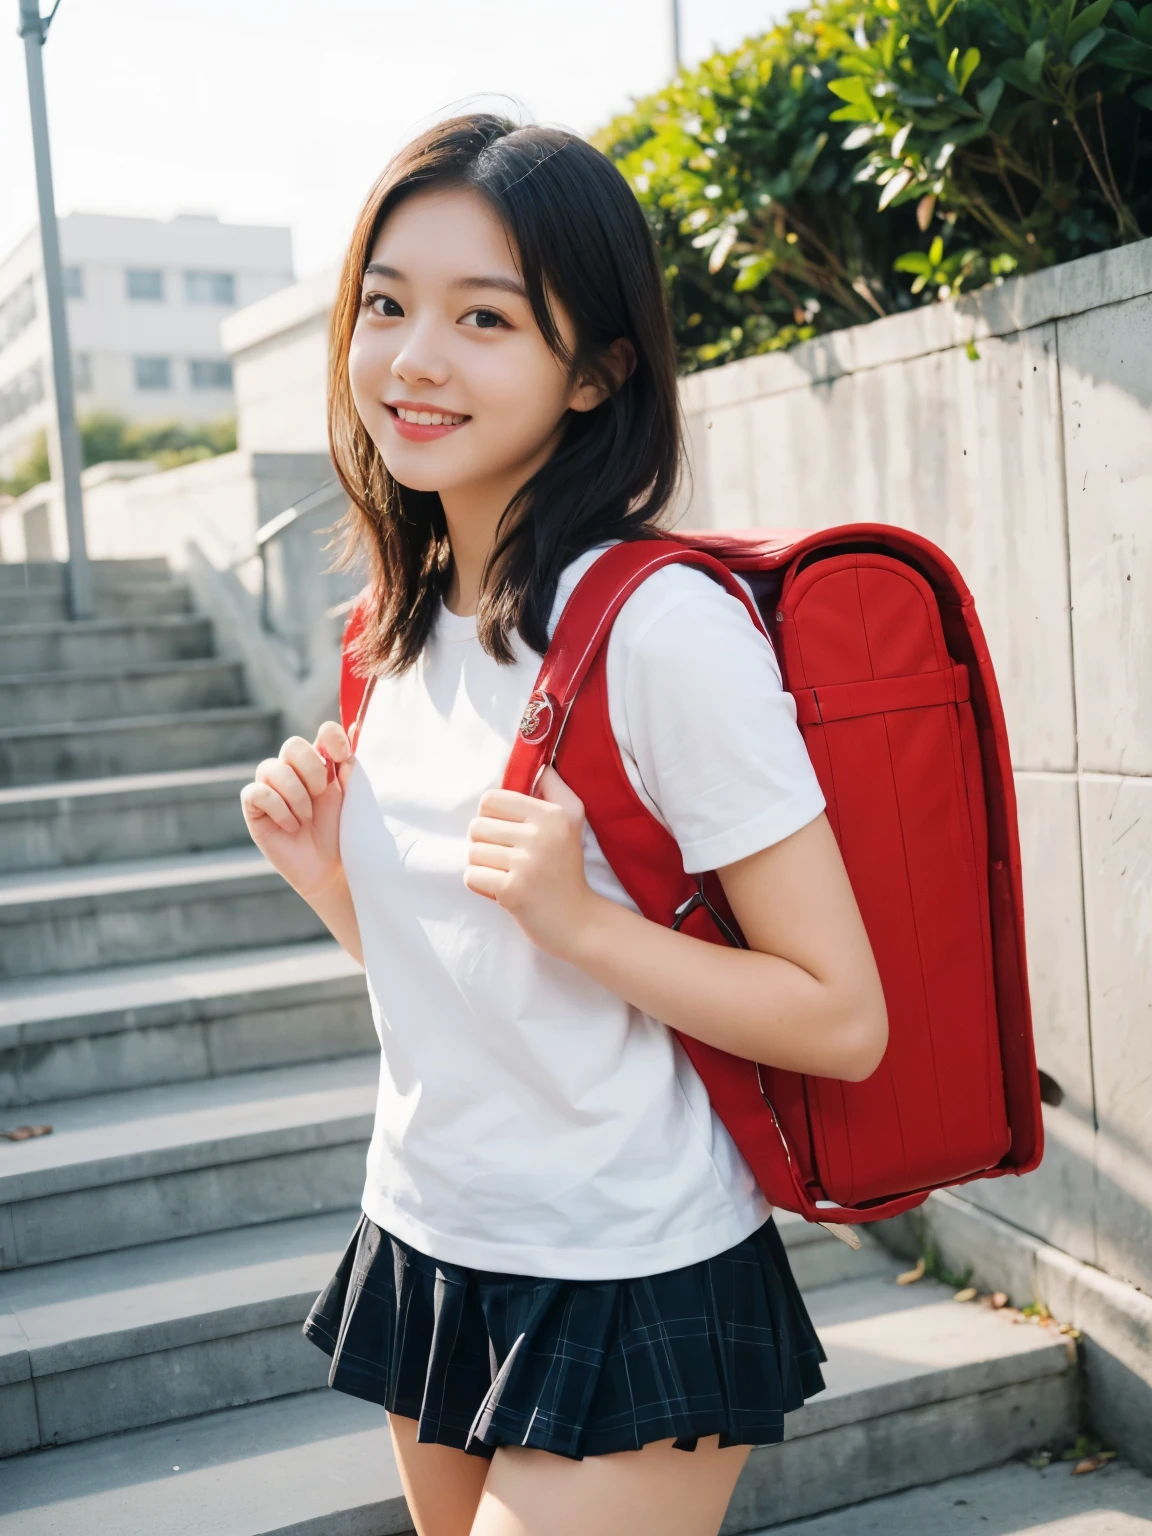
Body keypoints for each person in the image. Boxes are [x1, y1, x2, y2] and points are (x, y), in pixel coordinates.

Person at [240, 112, 888, 1536]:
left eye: (485, 318)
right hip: (429, 1233)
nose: (413, 358)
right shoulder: (386, 636)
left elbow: (843, 1017)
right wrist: (335, 884)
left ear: (597, 371)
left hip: (626, 1258)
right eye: (389, 304)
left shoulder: (663, 629)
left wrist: (586, 921)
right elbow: (480, 994)